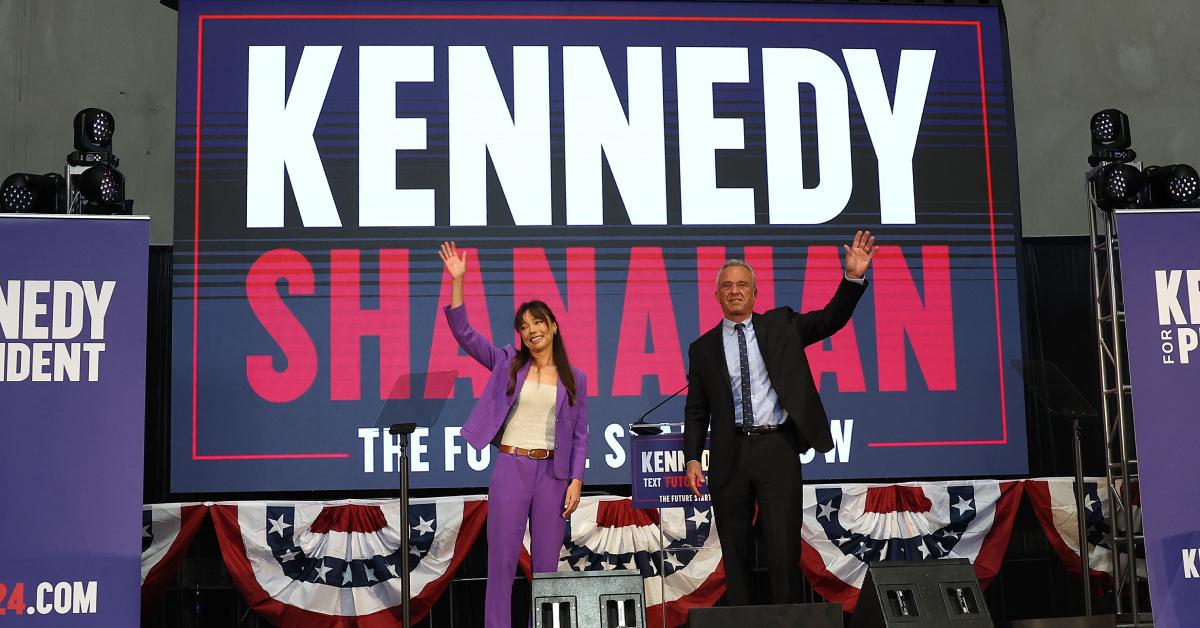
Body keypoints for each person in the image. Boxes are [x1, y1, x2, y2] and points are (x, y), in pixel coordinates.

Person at [683, 230, 876, 606]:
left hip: (777, 448)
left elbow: (830, 320)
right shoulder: (702, 348)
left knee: (782, 551)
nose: (735, 291)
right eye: (727, 286)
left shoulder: (782, 325)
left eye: (742, 285)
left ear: (755, 293)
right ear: (717, 295)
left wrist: (852, 278)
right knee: (735, 556)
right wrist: (692, 456)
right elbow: (696, 409)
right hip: (729, 455)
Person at [438, 241, 588, 628]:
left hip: (553, 476)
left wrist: (576, 480)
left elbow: (581, 434)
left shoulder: (575, 379)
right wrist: (458, 281)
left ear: (553, 326)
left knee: (546, 567)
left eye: (538, 322)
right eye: (524, 326)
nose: (531, 330)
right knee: (502, 559)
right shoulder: (507, 362)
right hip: (511, 465)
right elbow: (465, 333)